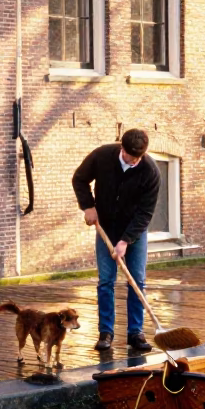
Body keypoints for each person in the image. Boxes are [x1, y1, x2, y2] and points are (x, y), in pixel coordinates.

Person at [72, 128, 161, 353]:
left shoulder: (150, 171)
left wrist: (126, 241)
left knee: (137, 281)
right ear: (122, 149)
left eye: (139, 158)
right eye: (132, 157)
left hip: (134, 231)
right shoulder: (102, 156)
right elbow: (80, 179)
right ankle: (106, 332)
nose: (135, 162)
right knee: (106, 281)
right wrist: (88, 206)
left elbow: (145, 212)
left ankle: (136, 333)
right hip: (106, 227)